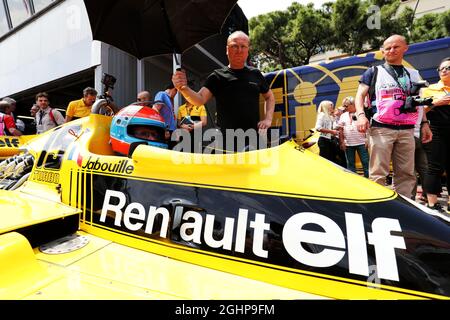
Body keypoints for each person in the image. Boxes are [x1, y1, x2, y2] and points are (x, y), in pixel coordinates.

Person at [355, 34, 432, 198]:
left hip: (407, 129)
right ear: (382, 51)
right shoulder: (373, 72)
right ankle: (377, 205)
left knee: (407, 173)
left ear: (405, 48)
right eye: (387, 48)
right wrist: (361, 115)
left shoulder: (413, 74)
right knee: (378, 172)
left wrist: (424, 123)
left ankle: (405, 206)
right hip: (381, 128)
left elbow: (418, 101)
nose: (391, 50)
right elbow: (360, 95)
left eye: (396, 47)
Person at [172, 30, 275, 150]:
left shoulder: (256, 74)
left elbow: (269, 97)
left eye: (243, 46)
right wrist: (183, 89)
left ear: (248, 50)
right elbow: (199, 100)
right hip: (226, 141)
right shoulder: (217, 76)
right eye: (234, 46)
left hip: (254, 139)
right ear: (227, 50)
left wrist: (268, 119)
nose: (239, 50)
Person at [420, 57, 450, 213]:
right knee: (435, 167)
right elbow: (419, 112)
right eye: (441, 69)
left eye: (447, 68)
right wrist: (437, 102)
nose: (444, 70)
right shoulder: (429, 89)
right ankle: (432, 203)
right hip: (436, 130)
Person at [338, 97, 369, 177]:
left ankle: (369, 181)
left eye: (346, 106)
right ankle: (354, 181)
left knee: (366, 163)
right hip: (348, 144)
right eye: (344, 106)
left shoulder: (361, 114)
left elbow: (368, 127)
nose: (344, 108)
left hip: (362, 143)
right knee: (350, 164)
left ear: (353, 104)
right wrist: (342, 142)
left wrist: (367, 139)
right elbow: (340, 130)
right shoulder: (343, 116)